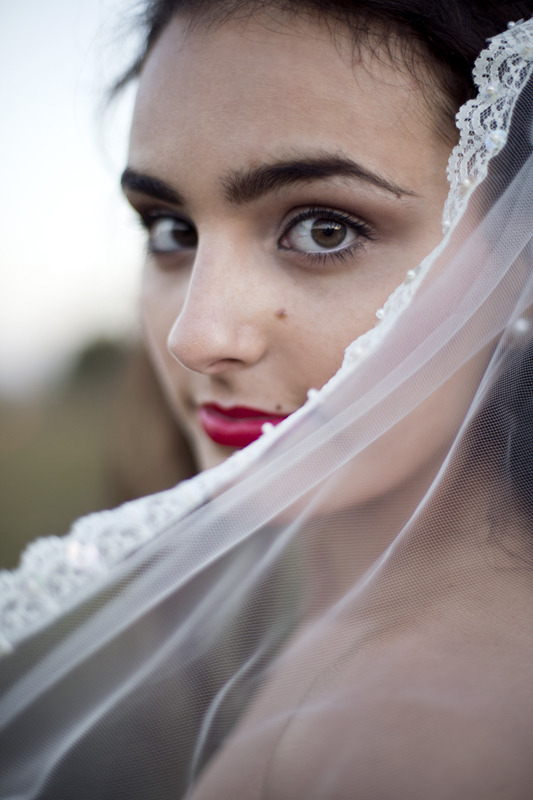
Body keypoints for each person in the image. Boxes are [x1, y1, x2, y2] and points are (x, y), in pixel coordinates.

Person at [2, 1, 533, 797]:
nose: (196, 335)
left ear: (517, 258)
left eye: (323, 228)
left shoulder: (415, 737)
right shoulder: (357, 646)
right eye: (171, 230)